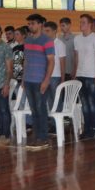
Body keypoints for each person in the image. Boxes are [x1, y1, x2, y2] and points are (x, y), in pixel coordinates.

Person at [23, 14, 55, 149]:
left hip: (40, 81)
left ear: (41, 24)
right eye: (29, 24)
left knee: (41, 110)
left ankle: (43, 138)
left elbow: (51, 61)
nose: (31, 26)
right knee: (33, 110)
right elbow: (26, 60)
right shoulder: (28, 40)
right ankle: (37, 136)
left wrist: (46, 80)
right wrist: (24, 78)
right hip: (29, 80)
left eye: (33, 23)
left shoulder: (47, 40)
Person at [73, 14, 95, 138]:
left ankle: (94, 127)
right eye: (80, 22)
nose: (81, 25)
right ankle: (87, 129)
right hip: (80, 74)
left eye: (83, 22)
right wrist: (75, 72)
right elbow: (76, 57)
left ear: (90, 24)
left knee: (92, 102)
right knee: (84, 103)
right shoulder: (77, 39)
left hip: (91, 75)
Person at [43, 21, 66, 115]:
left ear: (54, 31)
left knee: (56, 99)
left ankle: (58, 121)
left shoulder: (60, 44)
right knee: (49, 100)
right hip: (45, 76)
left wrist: (62, 78)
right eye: (44, 31)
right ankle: (52, 120)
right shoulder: (44, 44)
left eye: (48, 31)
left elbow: (62, 62)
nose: (45, 33)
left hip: (56, 76)